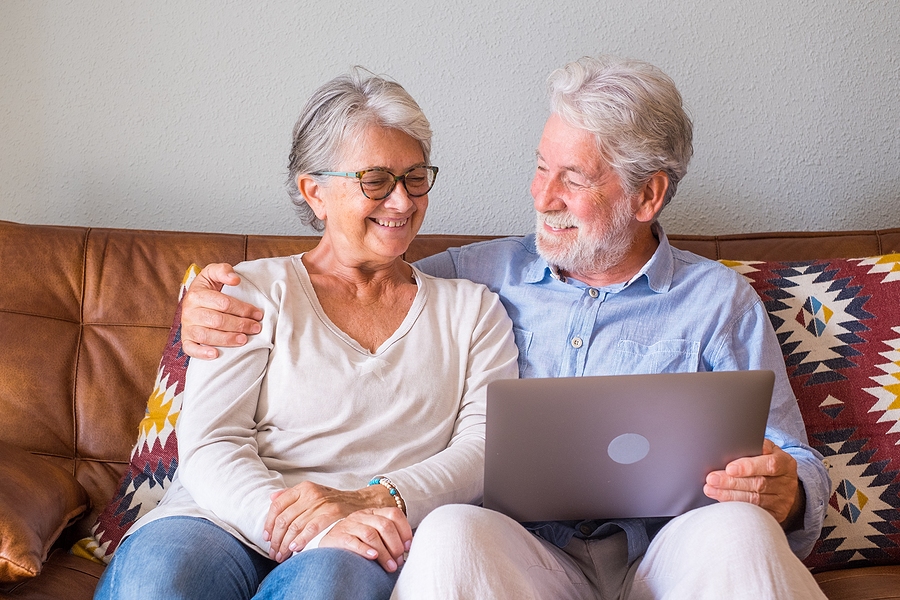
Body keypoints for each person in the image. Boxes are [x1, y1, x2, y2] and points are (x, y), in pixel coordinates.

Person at [179, 56, 831, 599]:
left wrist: (787, 490)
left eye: (573, 178)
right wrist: (202, 301)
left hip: (673, 549)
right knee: (449, 532)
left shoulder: (719, 300)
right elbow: (355, 288)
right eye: (542, 166)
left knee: (742, 530)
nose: (542, 195)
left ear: (648, 196)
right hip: (525, 556)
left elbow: (792, 456)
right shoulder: (471, 275)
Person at [93, 70, 518, 600]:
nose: (403, 202)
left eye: (415, 177)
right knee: (158, 582)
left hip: (364, 536)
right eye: (376, 181)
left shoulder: (472, 311)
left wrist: (377, 499)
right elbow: (212, 442)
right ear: (314, 191)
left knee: (326, 586)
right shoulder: (250, 291)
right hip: (220, 518)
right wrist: (301, 521)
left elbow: (484, 449)